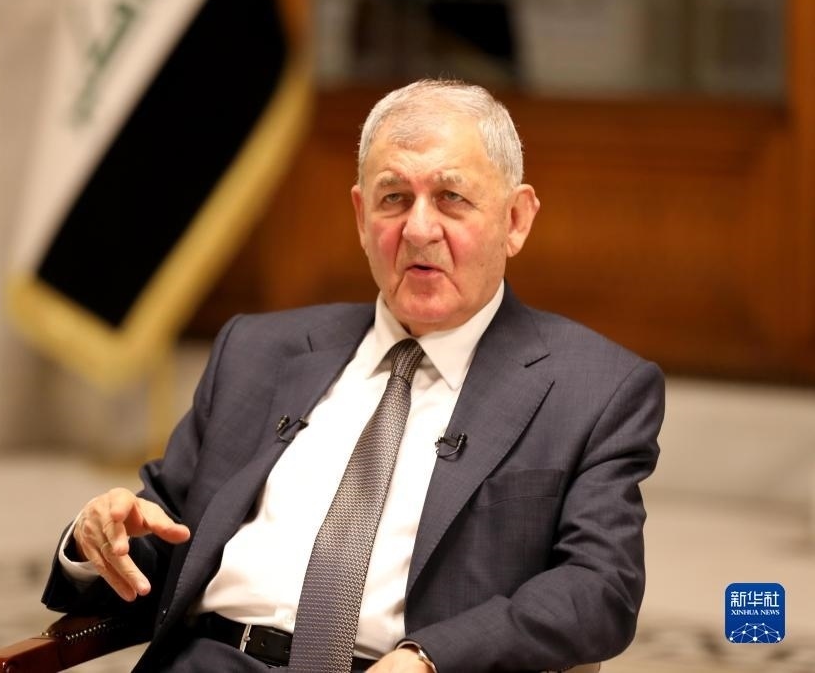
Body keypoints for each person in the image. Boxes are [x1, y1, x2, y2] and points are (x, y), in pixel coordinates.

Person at [41, 78, 665, 673]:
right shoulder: (257, 351)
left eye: (451, 198)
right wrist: (95, 541)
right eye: (394, 199)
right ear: (361, 216)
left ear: (516, 219)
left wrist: (433, 657)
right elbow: (162, 530)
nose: (419, 229)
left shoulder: (593, 390)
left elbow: (599, 589)